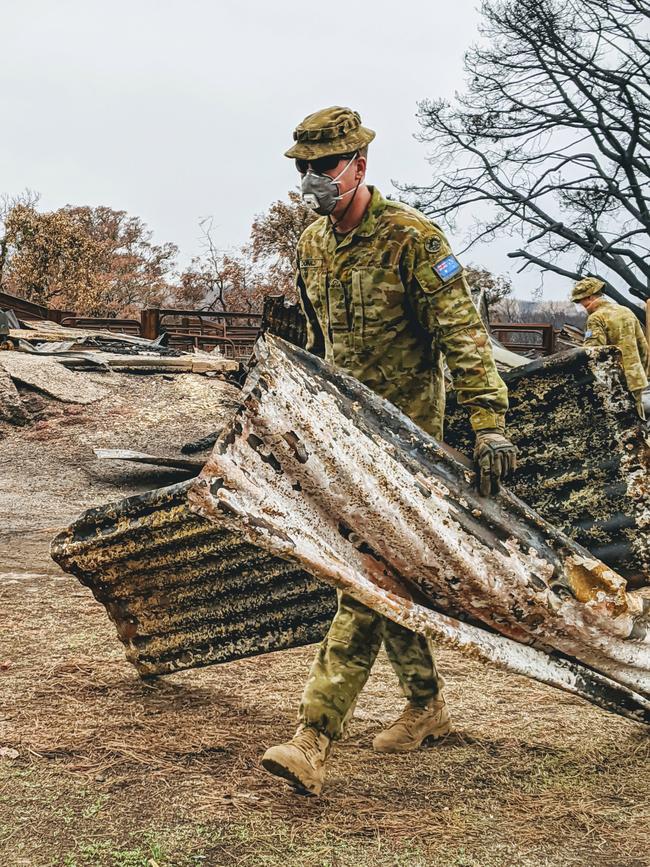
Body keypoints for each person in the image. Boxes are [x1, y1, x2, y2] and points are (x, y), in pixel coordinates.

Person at [261, 106, 516, 796]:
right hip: (344, 438)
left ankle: (312, 736)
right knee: (387, 576)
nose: (312, 179)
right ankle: (427, 705)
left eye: (324, 166)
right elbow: (317, 344)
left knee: (365, 579)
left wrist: (488, 420)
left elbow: (463, 332)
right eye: (303, 167)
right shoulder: (312, 245)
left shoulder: (414, 240)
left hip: (407, 446)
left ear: (359, 165)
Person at [571, 277, 649, 418]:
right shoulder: (626, 311)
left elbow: (591, 352)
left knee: (619, 425)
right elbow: (643, 347)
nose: (580, 304)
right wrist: (640, 372)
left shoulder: (596, 318)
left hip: (614, 382)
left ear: (589, 297)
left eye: (580, 300)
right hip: (635, 379)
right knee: (638, 421)